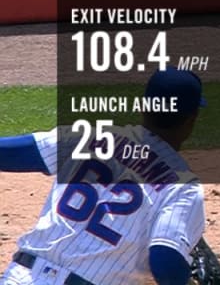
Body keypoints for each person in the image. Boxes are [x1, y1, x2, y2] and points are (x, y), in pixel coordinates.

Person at [0, 68, 207, 284]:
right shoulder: (183, 186)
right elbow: (165, 260)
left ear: (144, 107)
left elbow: (12, 152)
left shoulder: (87, 136)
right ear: (191, 120)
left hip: (21, 277)